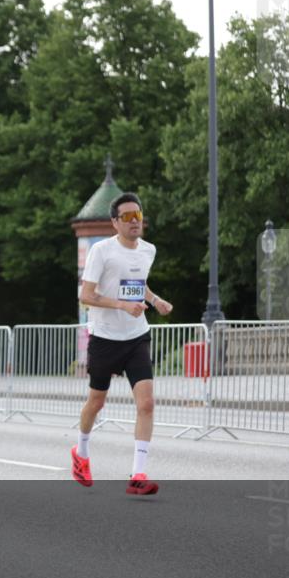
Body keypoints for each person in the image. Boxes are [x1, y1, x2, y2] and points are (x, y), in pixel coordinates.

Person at [74, 192, 173, 495]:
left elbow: (137, 284)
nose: (134, 222)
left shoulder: (148, 250)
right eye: (127, 217)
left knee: (146, 403)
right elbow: (86, 296)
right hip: (105, 338)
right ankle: (81, 451)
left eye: (138, 216)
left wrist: (155, 300)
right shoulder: (102, 251)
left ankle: (138, 474)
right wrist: (121, 306)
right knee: (97, 402)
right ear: (115, 222)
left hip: (136, 336)